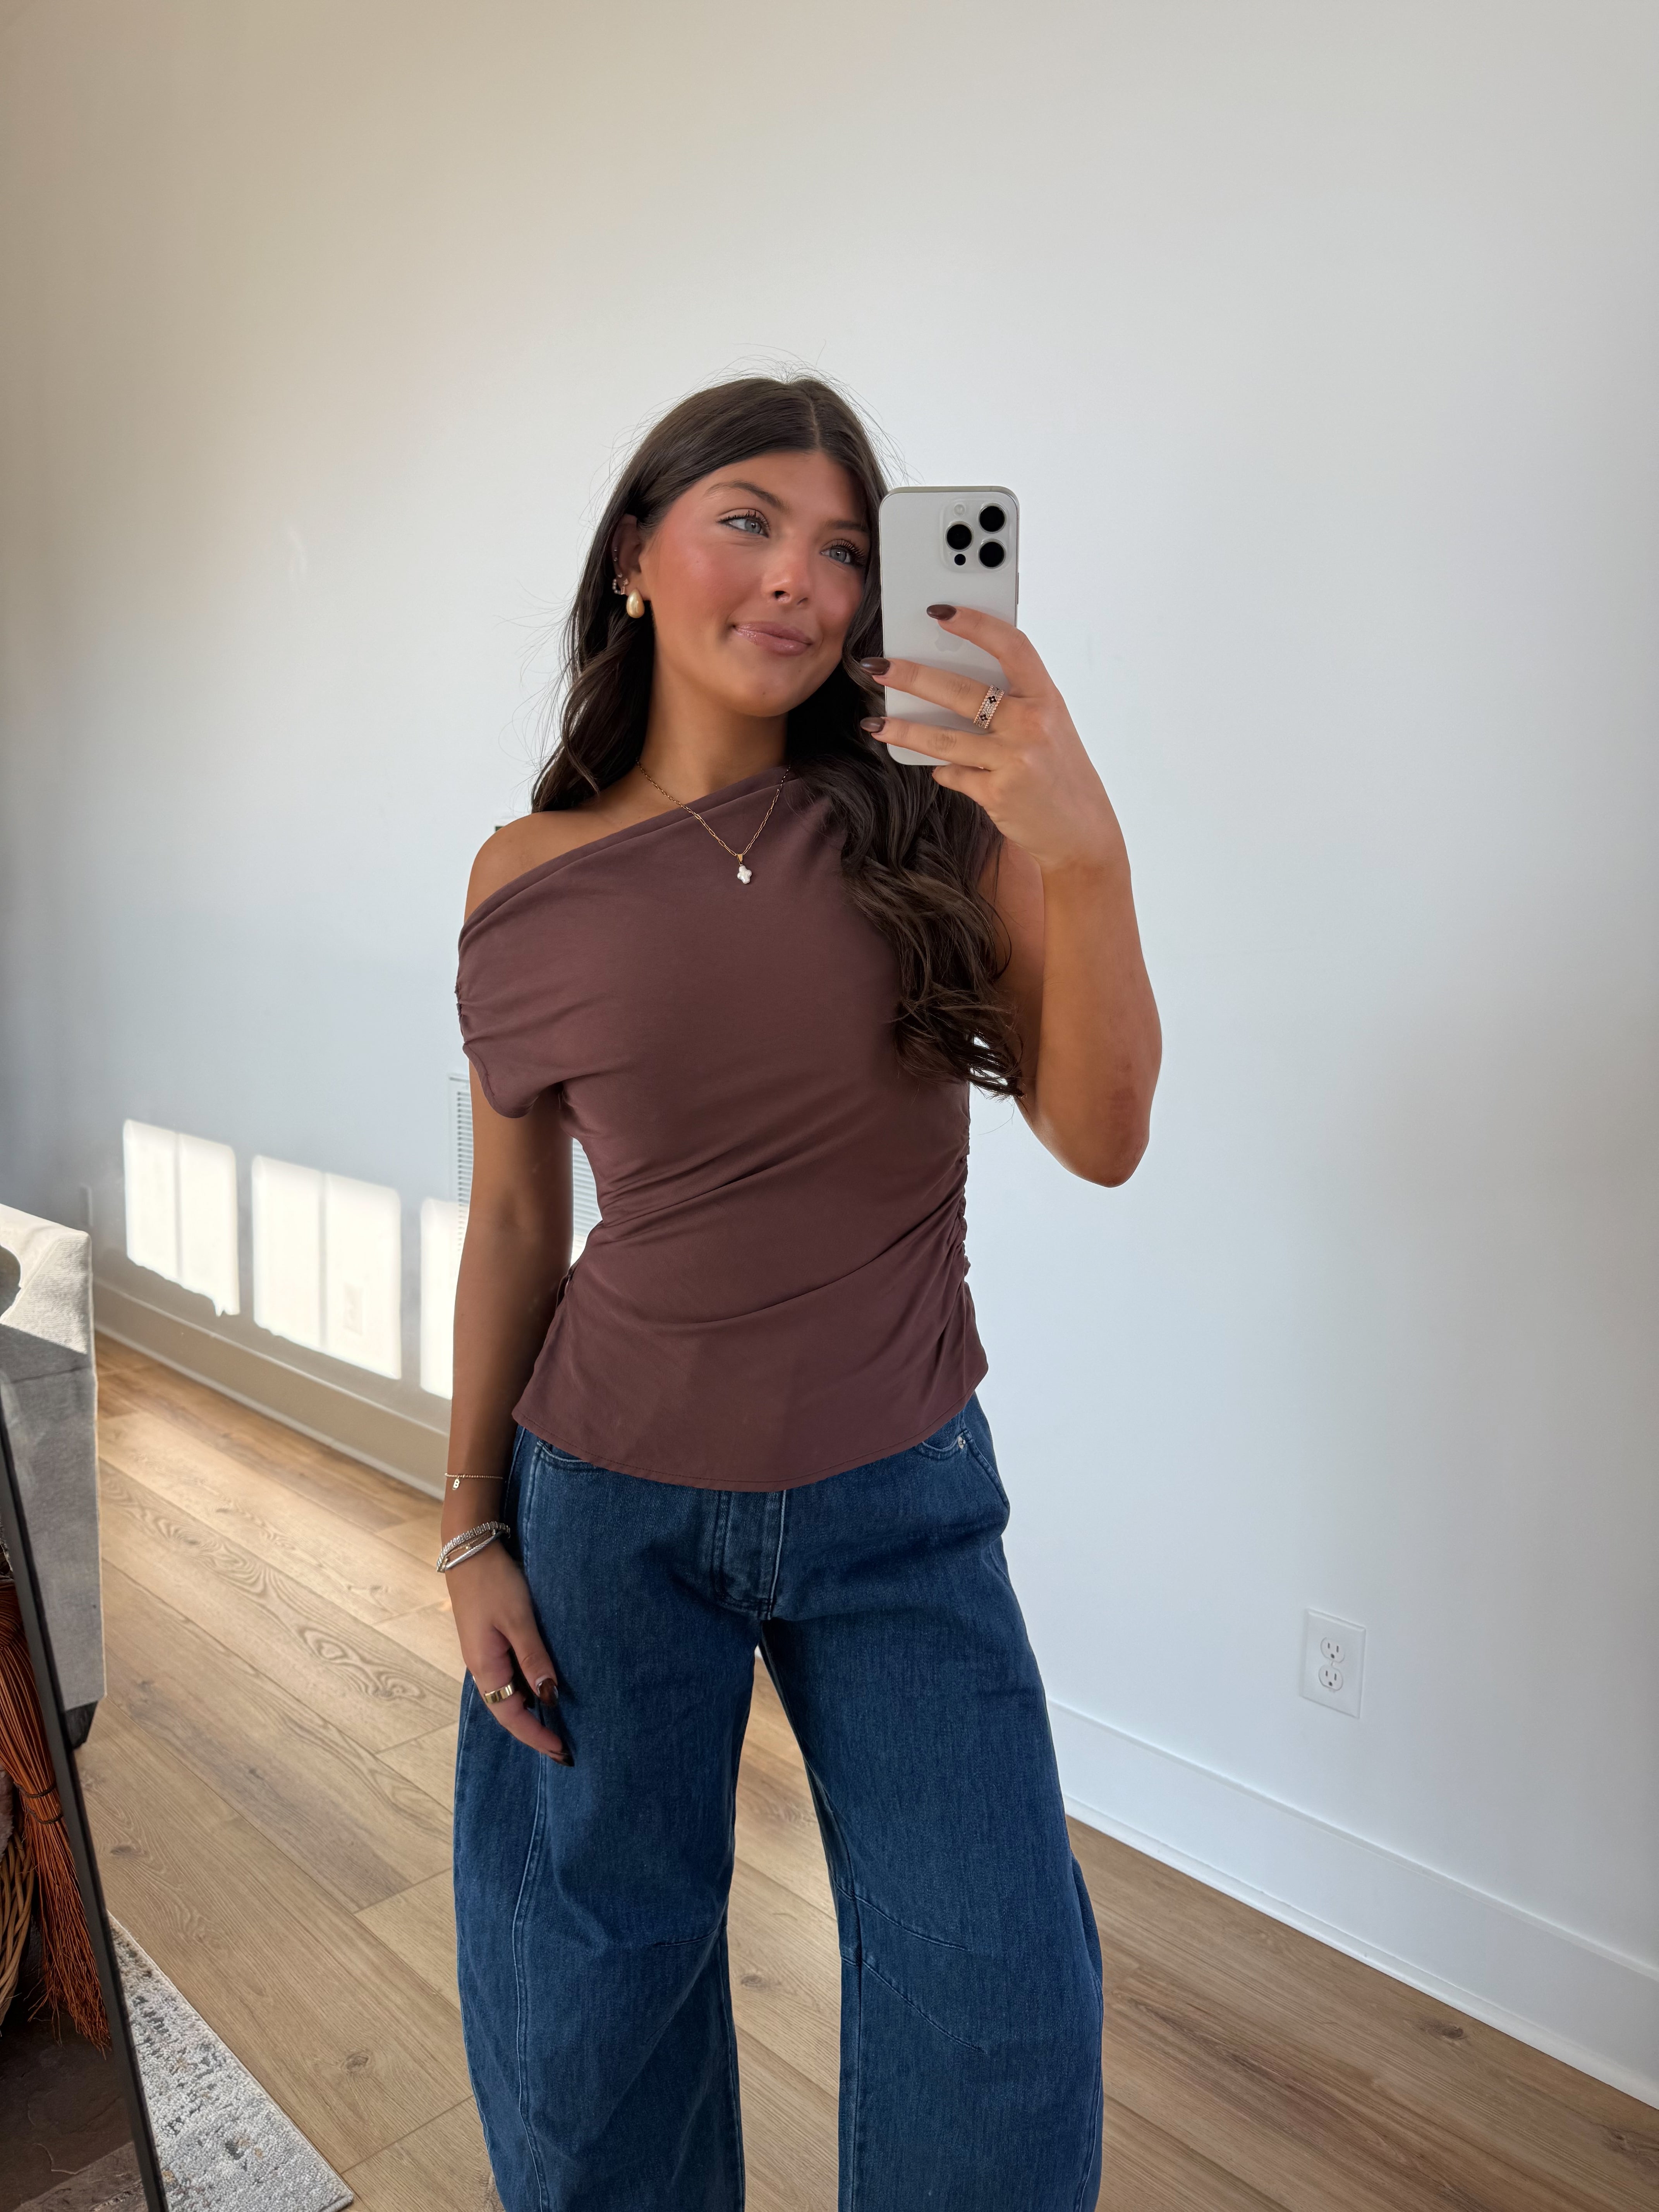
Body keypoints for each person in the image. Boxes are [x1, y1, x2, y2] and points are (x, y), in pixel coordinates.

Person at [441, 373, 1160, 2211]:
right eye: (748, 522)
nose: (800, 580)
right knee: (597, 2011)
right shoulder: (524, 878)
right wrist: (469, 1531)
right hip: (607, 1510)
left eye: (845, 550)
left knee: (998, 2006)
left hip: (901, 1503)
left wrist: (1083, 851)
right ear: (635, 555)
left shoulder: (932, 822)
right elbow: (517, 1226)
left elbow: (1102, 1134)